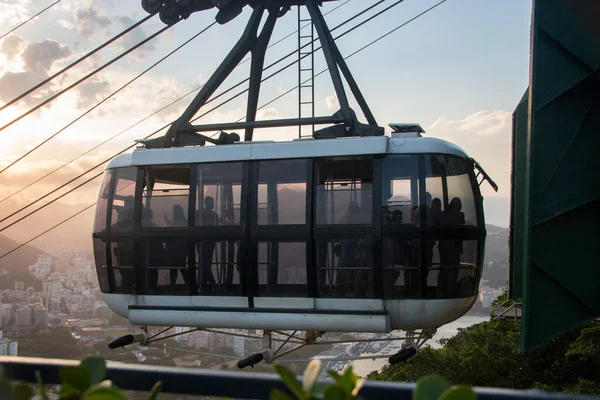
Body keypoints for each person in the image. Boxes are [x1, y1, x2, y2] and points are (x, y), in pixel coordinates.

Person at [165, 204, 189, 292]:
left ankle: (172, 286)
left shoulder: (174, 222)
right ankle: (188, 284)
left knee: (173, 268)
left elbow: (170, 234)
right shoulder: (185, 222)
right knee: (182, 267)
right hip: (182, 249)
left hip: (173, 249)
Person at [196, 196, 218, 291]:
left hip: (202, 242)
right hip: (209, 243)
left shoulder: (198, 213)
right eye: (211, 202)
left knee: (204, 264)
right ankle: (211, 283)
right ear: (207, 203)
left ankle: (204, 283)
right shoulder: (213, 215)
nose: (213, 204)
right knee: (206, 264)